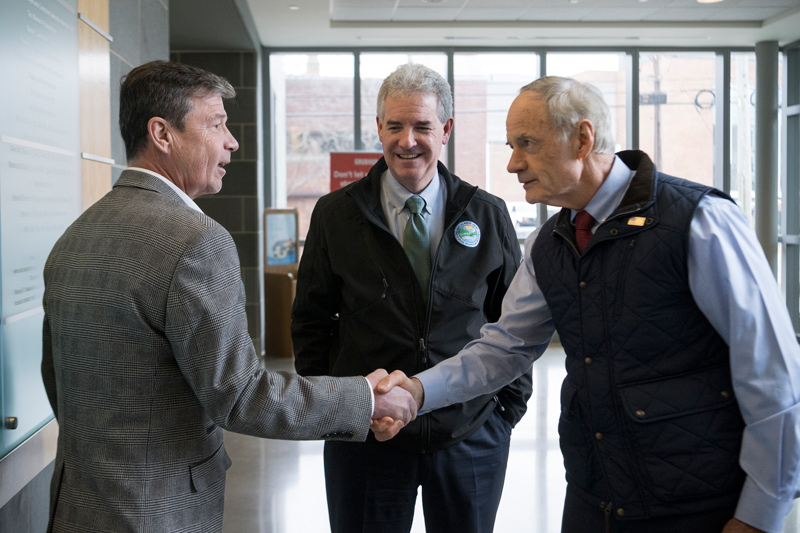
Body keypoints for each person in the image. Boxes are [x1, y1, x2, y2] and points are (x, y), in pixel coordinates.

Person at [377, 76, 800, 533]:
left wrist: (760, 515)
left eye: (526, 144)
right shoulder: (549, 243)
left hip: (696, 504)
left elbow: (773, 376)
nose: (513, 164)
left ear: (582, 138)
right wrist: (418, 391)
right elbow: (503, 348)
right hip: (594, 497)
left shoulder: (700, 222)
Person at [40, 60, 416, 533]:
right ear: (162, 134)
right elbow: (240, 395)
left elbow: (58, 380)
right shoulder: (196, 241)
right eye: (216, 124)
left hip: (77, 507)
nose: (231, 141)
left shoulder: (75, 237)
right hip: (161, 512)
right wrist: (365, 398)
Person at [291, 62, 531, 533]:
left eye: (422, 126)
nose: (407, 140)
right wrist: (341, 412)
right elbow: (312, 323)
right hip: (366, 439)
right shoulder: (337, 214)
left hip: (469, 435)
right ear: (378, 127)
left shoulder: (487, 213)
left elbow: (515, 322)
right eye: (395, 125)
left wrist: (503, 415)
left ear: (445, 129)